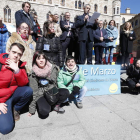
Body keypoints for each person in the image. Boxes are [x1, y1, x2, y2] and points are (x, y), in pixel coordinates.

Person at [0, 43, 33, 135]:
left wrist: (17, 70)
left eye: (19, 54)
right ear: (9, 51)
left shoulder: (20, 65)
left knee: (28, 91)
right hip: (1, 99)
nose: (16, 56)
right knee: (6, 129)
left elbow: (24, 83)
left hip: (12, 94)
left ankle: (15, 109)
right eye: (14, 52)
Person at [28, 51, 69, 117]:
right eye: (38, 59)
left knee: (66, 92)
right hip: (41, 94)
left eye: (43, 58)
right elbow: (34, 92)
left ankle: (55, 105)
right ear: (35, 60)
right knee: (44, 112)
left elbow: (57, 82)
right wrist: (32, 110)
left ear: (46, 59)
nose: (41, 60)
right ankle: (48, 104)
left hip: (52, 90)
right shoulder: (33, 73)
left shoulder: (53, 68)